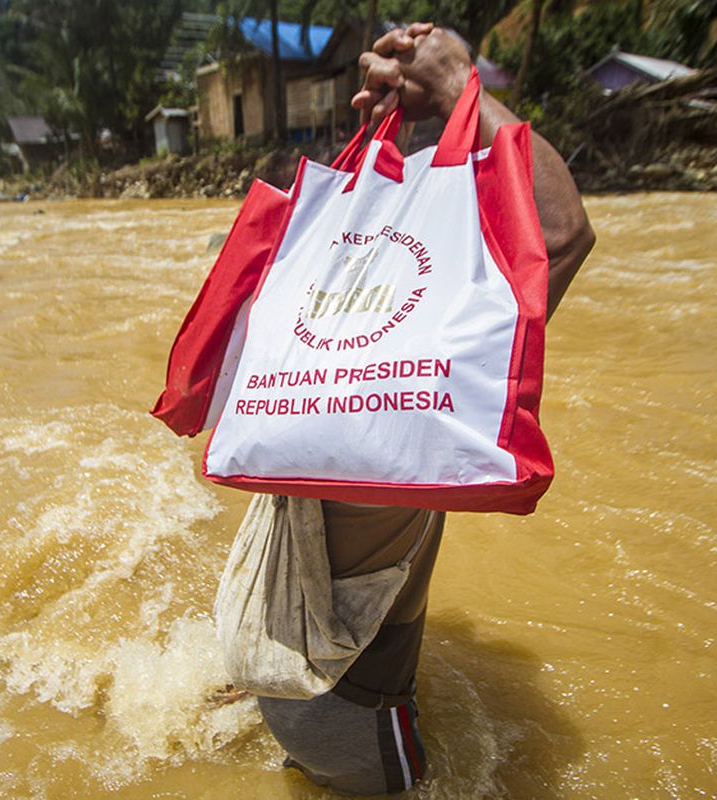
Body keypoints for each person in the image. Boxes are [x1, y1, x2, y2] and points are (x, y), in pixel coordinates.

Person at [252, 23, 595, 795]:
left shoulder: (280, 356)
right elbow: (562, 232)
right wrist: (452, 88)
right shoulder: (416, 389)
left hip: (274, 656)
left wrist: (391, 118)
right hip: (351, 715)